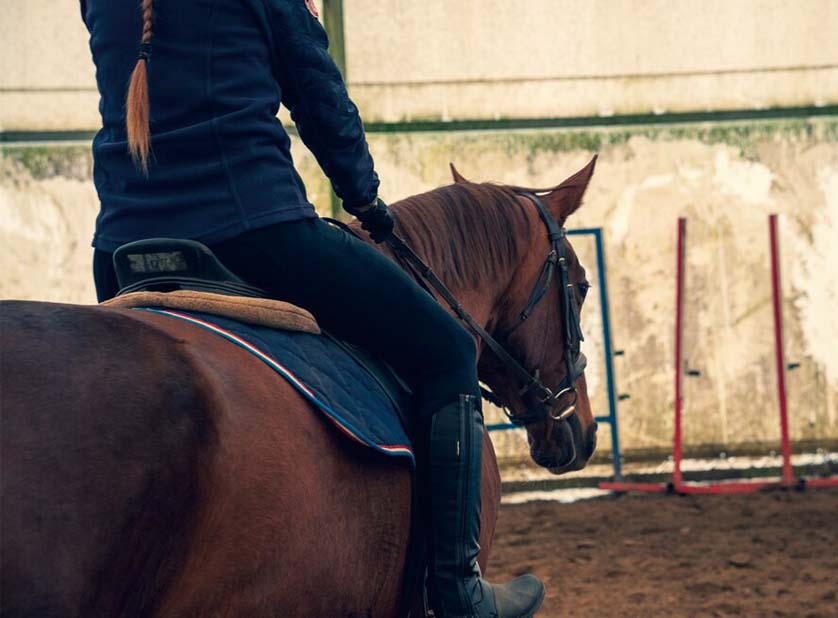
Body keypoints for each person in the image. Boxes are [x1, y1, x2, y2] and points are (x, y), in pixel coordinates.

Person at [80, 1, 544, 616]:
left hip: (121, 250)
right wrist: (366, 199)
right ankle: (457, 588)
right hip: (255, 235)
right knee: (448, 352)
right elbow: (318, 96)